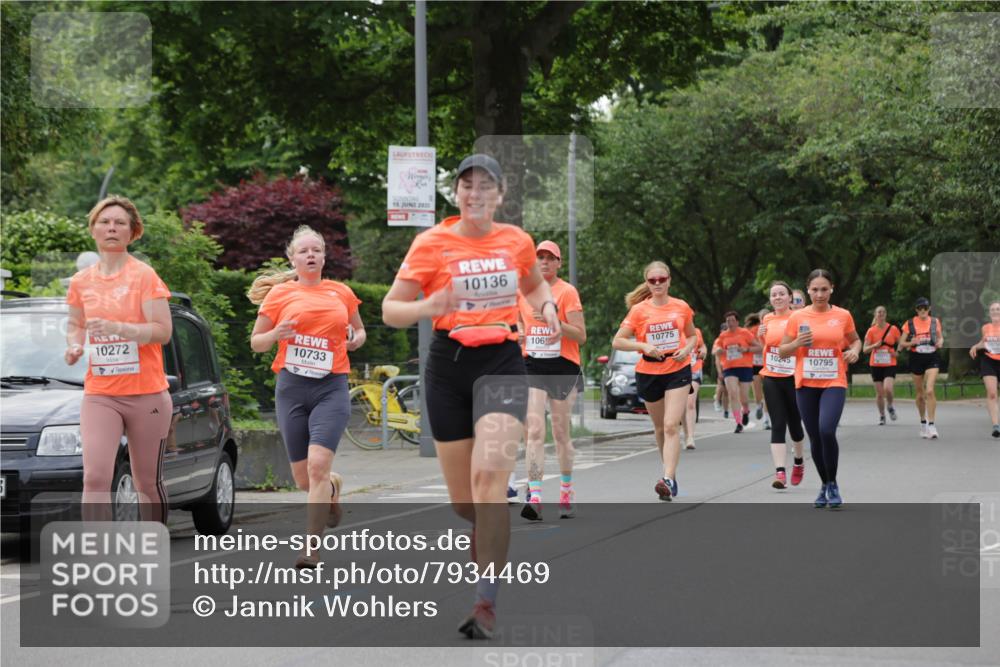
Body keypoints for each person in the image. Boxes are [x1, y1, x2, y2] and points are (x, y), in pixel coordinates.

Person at [381, 154, 559, 640]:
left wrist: (545, 306)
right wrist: (429, 304)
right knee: (466, 503)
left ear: (499, 196)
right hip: (447, 367)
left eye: (486, 187)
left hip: (501, 360)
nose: (476, 194)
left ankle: (486, 601)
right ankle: (480, 532)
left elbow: (535, 283)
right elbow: (391, 309)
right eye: (467, 186)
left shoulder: (516, 241)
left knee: (488, 485)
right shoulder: (431, 243)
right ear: (456, 194)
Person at [249, 225, 365, 568]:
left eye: (317, 250)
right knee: (304, 479)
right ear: (293, 258)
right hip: (292, 388)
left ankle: (311, 549)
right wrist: (275, 333)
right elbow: (257, 342)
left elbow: (359, 330)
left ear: (324, 256)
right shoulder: (280, 295)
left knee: (317, 466)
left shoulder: (341, 292)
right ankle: (332, 487)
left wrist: (355, 338)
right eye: (304, 251)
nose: (311, 255)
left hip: (331, 386)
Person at [65, 195, 173, 522]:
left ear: (132, 232)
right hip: (101, 393)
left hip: (147, 395)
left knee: (146, 481)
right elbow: (75, 324)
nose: (112, 228)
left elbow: (162, 331)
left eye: (120, 223)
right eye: (105, 222)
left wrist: (119, 328)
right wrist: (74, 345)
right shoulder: (81, 282)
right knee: (95, 478)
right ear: (94, 230)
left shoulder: (144, 276)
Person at [612, 261, 697, 501]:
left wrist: (686, 350)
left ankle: (668, 479)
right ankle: (669, 474)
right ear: (647, 283)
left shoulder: (681, 307)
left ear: (669, 280)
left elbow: (692, 336)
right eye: (653, 280)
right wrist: (643, 345)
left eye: (662, 279)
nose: (658, 284)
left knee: (671, 425)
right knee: (660, 428)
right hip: (649, 372)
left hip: (677, 369)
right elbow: (618, 341)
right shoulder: (639, 310)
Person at [779, 269, 861, 509]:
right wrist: (796, 343)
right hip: (806, 384)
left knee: (826, 430)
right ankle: (825, 484)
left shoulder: (843, 315)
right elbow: (782, 350)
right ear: (808, 290)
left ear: (832, 289)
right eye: (815, 289)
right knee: (814, 436)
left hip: (834, 381)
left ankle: (833, 483)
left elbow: (855, 339)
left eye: (824, 289)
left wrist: (855, 350)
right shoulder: (797, 317)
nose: (820, 294)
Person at [517, 240, 586, 521]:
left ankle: (566, 490)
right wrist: (518, 332)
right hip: (532, 363)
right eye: (540, 257)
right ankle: (534, 495)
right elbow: (516, 322)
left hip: (562, 365)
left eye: (550, 257)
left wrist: (554, 323)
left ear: (558, 262)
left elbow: (581, 335)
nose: (544, 261)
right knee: (534, 431)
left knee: (560, 434)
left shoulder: (567, 292)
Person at [757, 281, 807, 490]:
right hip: (771, 375)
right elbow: (768, 347)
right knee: (778, 423)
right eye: (773, 295)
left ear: (789, 298)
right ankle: (780, 472)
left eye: (781, 294)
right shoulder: (767, 319)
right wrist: (761, 335)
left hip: (793, 376)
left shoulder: (798, 318)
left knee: (795, 424)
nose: (777, 297)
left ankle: (798, 461)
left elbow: (805, 346)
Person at [898, 297, 944, 439]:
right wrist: (911, 342)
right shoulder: (909, 323)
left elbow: (941, 338)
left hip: (932, 357)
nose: (922, 311)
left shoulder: (935, 322)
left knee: (929, 390)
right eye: (919, 308)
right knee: (920, 393)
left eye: (925, 308)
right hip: (916, 358)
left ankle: (932, 425)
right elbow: (901, 342)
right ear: (916, 310)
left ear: (929, 309)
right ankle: (923, 422)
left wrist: (940, 343)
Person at [712, 311, 761, 433]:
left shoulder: (745, 333)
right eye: (728, 321)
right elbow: (714, 350)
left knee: (744, 397)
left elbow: (760, 347)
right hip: (729, 367)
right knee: (733, 393)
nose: (730, 323)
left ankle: (745, 410)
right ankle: (738, 422)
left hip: (745, 367)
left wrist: (746, 349)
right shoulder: (723, 336)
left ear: (737, 321)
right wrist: (718, 350)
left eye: (733, 320)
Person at [863, 306, 901, 425]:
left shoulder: (893, 329)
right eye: (879, 312)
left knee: (888, 389)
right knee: (879, 393)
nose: (881, 314)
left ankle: (889, 406)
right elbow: (864, 350)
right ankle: (882, 415)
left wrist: (897, 353)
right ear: (875, 315)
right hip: (876, 364)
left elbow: (901, 343)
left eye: (883, 312)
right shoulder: (871, 331)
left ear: (886, 314)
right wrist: (874, 345)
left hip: (890, 363)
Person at [969, 300, 1000, 438]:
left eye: (998, 309)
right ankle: (996, 426)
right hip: (989, 361)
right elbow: (984, 342)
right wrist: (976, 346)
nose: (995, 311)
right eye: (993, 309)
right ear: (989, 313)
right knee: (992, 393)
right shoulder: (985, 327)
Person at [681, 327, 708, 450]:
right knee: (682, 405)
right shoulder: (675, 331)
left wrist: (703, 351)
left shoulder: (696, 331)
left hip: (695, 369)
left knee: (690, 403)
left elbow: (702, 346)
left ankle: (691, 437)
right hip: (679, 371)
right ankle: (686, 434)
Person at [745, 312, 769, 428]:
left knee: (768, 392)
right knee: (757, 391)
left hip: (767, 364)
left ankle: (766, 419)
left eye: (766, 317)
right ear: (759, 319)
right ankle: (759, 405)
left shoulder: (773, 328)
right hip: (754, 364)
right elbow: (750, 346)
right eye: (762, 318)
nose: (764, 319)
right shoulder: (753, 330)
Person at [712, 322, 730, 417]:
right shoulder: (718, 341)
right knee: (721, 385)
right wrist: (719, 371)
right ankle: (717, 400)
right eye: (724, 330)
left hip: (730, 366)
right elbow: (717, 358)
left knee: (726, 391)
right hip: (721, 366)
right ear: (721, 331)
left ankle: (726, 411)